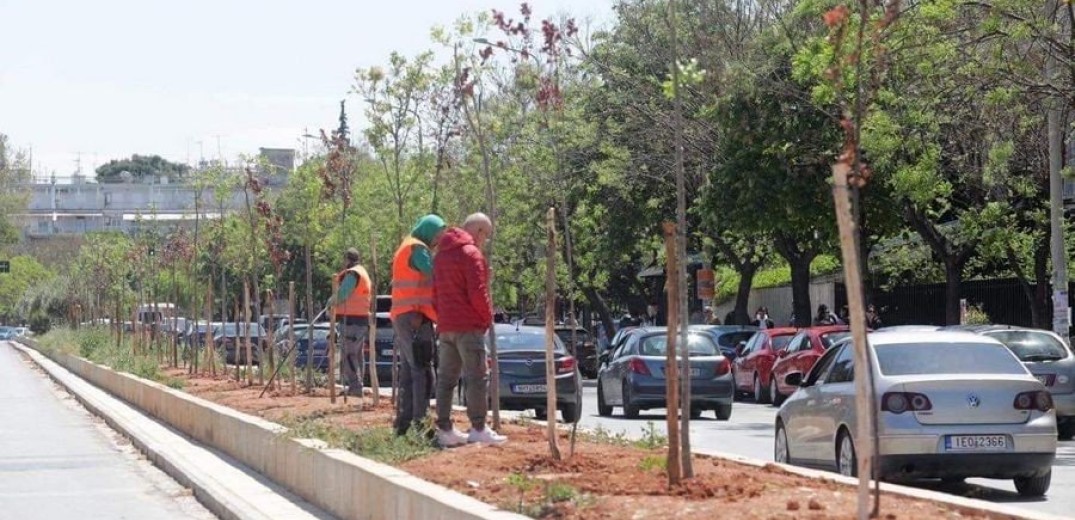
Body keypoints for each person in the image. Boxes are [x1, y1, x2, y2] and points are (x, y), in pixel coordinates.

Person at [433, 212, 506, 447]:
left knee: (446, 379)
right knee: (476, 378)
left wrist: (442, 318)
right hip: (468, 326)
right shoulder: (471, 253)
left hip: (446, 327)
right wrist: (486, 318)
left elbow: (434, 294)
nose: (485, 241)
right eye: (486, 235)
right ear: (480, 232)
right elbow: (478, 293)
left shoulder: (440, 256)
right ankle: (478, 427)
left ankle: (444, 428)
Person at [391, 214, 446, 436]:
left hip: (405, 316)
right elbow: (435, 273)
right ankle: (420, 424)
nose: (438, 242)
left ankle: (403, 425)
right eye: (438, 236)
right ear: (429, 232)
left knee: (408, 372)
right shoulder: (418, 249)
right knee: (422, 371)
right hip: (415, 317)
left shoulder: (406, 246)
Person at [327, 248, 372, 397]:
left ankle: (355, 386)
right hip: (361, 319)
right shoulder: (363, 272)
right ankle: (357, 385)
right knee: (357, 355)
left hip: (351, 320)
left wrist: (331, 302)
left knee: (348, 355)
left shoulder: (353, 274)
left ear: (347, 259)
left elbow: (343, 293)